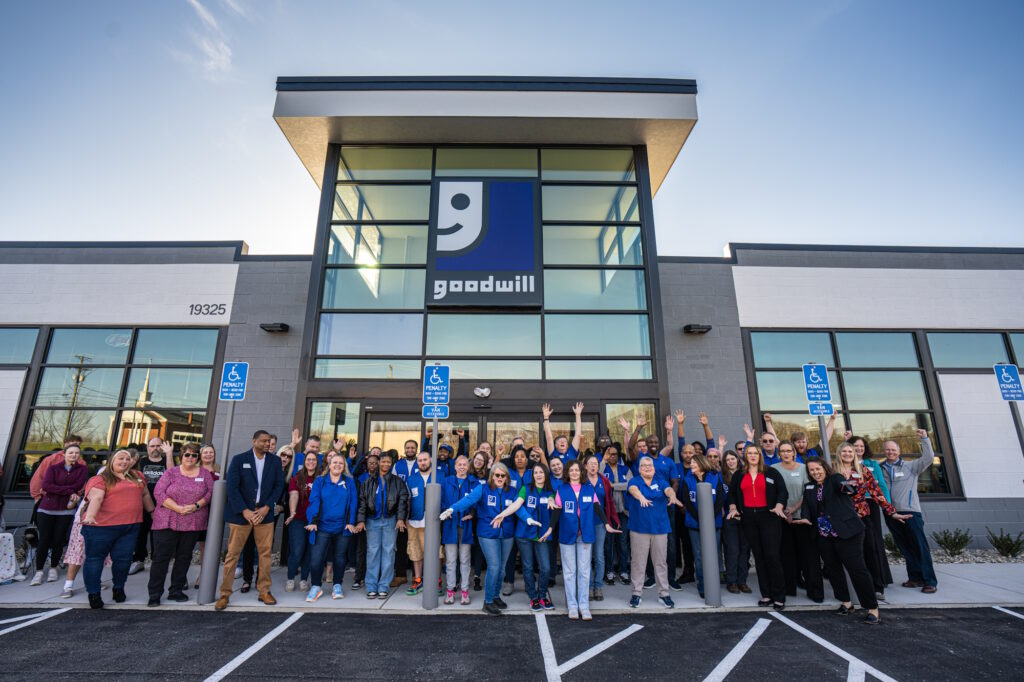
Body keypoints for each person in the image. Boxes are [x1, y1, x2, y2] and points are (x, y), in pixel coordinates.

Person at [798, 457, 888, 624]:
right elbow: (807, 508)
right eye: (811, 470)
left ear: (824, 467)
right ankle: (846, 602)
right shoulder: (809, 487)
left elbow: (846, 488)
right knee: (833, 569)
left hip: (848, 533)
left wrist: (849, 487)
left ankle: (872, 608)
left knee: (857, 570)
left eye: (818, 468)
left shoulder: (835, 479)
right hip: (825, 535)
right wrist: (804, 518)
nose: (815, 472)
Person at [215, 430, 285, 610]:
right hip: (241, 515)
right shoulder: (239, 460)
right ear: (254, 441)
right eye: (263, 441)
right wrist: (244, 510)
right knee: (233, 554)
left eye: (268, 441)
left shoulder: (275, 461)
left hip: (264, 514)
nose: (266, 444)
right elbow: (232, 487)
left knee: (265, 554)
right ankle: (225, 593)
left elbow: (278, 486)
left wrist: (267, 506)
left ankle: (264, 590)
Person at [440, 462, 519, 616]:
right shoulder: (483, 489)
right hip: (487, 533)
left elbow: (519, 509)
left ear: (507, 477)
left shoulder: (513, 491)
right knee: (494, 566)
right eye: (497, 475)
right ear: (492, 476)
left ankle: (495, 596)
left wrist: (528, 519)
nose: (500, 478)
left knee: (501, 568)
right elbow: (468, 500)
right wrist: (452, 508)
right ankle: (488, 601)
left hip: (507, 534)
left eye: (503, 475)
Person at [80, 450, 155, 609]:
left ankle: (118, 588)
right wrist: (91, 516)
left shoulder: (138, 476)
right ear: (112, 460)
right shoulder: (100, 479)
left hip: (129, 527)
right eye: (120, 458)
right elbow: (97, 498)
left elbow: (145, 495)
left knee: (123, 561)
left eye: (127, 459)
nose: (124, 461)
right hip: (101, 528)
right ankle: (93, 593)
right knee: (95, 560)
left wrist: (153, 513)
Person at [835, 442, 907, 599]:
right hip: (842, 519)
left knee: (870, 550)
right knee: (848, 555)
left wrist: (891, 512)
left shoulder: (863, 471)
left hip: (862, 516)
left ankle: (877, 587)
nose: (847, 454)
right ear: (839, 453)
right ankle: (850, 590)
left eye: (850, 451)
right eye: (844, 451)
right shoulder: (834, 472)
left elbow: (876, 492)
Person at [551, 459, 620, 621]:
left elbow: (598, 507)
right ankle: (572, 605)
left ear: (581, 472)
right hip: (567, 535)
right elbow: (556, 512)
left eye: (577, 470)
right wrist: (549, 529)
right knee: (569, 572)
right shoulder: (562, 489)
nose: (574, 473)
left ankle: (584, 605)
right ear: (567, 473)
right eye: (571, 470)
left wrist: (607, 524)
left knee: (584, 571)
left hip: (585, 535)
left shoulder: (589, 489)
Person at [147, 442, 214, 606]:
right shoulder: (171, 472)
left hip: (192, 521)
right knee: (161, 557)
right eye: (187, 454)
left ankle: (176, 590)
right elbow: (159, 492)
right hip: (168, 520)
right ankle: (155, 593)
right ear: (181, 456)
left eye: (194, 455)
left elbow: (211, 493)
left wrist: (196, 505)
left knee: (184, 557)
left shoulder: (205, 474)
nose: (190, 458)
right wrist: (176, 507)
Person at [726, 445, 788, 609]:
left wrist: (780, 506)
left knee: (772, 556)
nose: (753, 456)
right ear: (745, 456)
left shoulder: (771, 472)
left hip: (769, 516)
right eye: (749, 453)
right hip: (748, 518)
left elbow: (782, 491)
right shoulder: (739, 474)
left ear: (760, 455)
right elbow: (732, 494)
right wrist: (733, 508)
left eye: (755, 453)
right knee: (759, 557)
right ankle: (766, 595)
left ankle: (779, 596)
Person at [879, 430, 938, 593]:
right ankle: (915, 578)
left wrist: (925, 439)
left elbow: (928, 458)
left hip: (911, 512)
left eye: (893, 449)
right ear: (884, 451)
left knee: (920, 547)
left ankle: (930, 581)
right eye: (887, 450)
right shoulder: (880, 468)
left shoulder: (911, 466)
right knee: (905, 547)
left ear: (899, 451)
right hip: (891, 514)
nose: (890, 452)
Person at [626, 455, 684, 608]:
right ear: (639, 469)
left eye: (650, 466)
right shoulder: (635, 481)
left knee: (660, 563)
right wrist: (641, 498)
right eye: (644, 466)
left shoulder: (660, 481)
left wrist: (672, 496)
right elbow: (632, 490)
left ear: (654, 468)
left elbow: (669, 489)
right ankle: (636, 594)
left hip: (660, 529)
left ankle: (664, 594)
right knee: (638, 563)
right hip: (639, 529)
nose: (647, 468)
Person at [770, 440, 821, 602]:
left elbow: (807, 492)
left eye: (788, 451)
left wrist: (792, 509)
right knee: (787, 556)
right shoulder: (773, 470)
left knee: (808, 556)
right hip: (781, 518)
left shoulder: (803, 469)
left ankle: (814, 591)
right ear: (779, 454)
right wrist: (784, 511)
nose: (785, 453)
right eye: (782, 451)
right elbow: (773, 492)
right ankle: (789, 589)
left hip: (802, 517)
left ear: (794, 453)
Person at [305, 453, 360, 601]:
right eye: (334, 462)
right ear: (329, 464)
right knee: (316, 559)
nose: (337, 465)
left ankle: (337, 585)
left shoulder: (349, 482)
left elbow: (354, 503)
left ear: (344, 466)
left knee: (340, 559)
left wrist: (351, 522)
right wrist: (314, 521)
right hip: (322, 527)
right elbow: (314, 500)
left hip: (342, 527)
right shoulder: (320, 481)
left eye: (340, 463)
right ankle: (316, 586)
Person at [32, 444, 88, 586]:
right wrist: (69, 491)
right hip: (47, 509)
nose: (73, 455)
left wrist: (63, 489)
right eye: (70, 453)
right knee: (44, 540)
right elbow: (46, 486)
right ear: (64, 454)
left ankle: (53, 568)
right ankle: (39, 571)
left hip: (66, 510)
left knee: (58, 539)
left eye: (76, 453)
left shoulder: (82, 469)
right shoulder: (53, 468)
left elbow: (78, 486)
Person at [358, 451, 409, 600]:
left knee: (388, 552)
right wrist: (361, 520)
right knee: (373, 552)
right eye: (383, 461)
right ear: (379, 462)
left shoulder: (397, 481)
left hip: (390, 520)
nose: (386, 464)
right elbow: (362, 502)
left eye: (388, 462)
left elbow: (402, 500)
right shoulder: (368, 482)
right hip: (372, 520)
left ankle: (384, 586)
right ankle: (371, 586)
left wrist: (400, 518)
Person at [510, 462, 557, 611]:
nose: (538, 475)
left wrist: (551, 500)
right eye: (536, 472)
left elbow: (552, 501)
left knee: (546, 568)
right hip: (524, 535)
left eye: (541, 472)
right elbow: (518, 507)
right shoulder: (525, 489)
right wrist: (527, 518)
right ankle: (533, 597)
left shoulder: (550, 491)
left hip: (542, 536)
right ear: (532, 475)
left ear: (545, 474)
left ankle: (542, 595)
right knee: (528, 567)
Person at [678, 452, 725, 599]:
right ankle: (703, 586)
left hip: (714, 524)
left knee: (714, 554)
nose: (691, 465)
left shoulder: (715, 477)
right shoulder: (687, 479)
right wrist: (700, 518)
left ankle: (714, 585)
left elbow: (720, 500)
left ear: (701, 464)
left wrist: (709, 518)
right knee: (698, 556)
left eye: (693, 463)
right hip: (695, 524)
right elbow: (686, 501)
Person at [130, 437, 174, 575]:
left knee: (158, 536)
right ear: (148, 448)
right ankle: (138, 561)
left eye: (158, 446)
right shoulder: (141, 462)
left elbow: (173, 475)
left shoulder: (167, 461)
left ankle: (158, 562)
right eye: (152, 446)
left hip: (163, 505)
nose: (155, 448)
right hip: (141, 505)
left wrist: (169, 454)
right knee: (140, 534)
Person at [405, 450, 443, 596]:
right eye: (419, 460)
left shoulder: (440, 476)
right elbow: (406, 499)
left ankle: (436, 581)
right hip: (415, 520)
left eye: (425, 460)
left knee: (437, 552)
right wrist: (405, 516)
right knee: (415, 551)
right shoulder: (411, 479)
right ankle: (418, 580)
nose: (422, 462)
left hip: (434, 521)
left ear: (431, 460)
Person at [583, 453, 619, 601]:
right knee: (586, 556)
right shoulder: (581, 480)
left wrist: (614, 518)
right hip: (584, 523)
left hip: (600, 523)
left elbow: (609, 501)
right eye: (590, 463)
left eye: (595, 464)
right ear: (585, 466)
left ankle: (598, 586)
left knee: (598, 555)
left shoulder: (604, 481)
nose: (593, 466)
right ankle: (589, 586)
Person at [441, 455, 476, 605]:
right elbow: (441, 500)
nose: (462, 467)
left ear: (468, 467)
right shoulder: (446, 481)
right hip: (450, 525)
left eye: (464, 465)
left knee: (465, 560)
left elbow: (476, 502)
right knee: (450, 560)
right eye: (459, 465)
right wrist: (444, 512)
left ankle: (465, 591)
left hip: (465, 526)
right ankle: (450, 590)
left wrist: (472, 514)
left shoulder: (473, 482)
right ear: (455, 466)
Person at [285, 451, 321, 592]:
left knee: (309, 551)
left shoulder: (321, 479)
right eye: (308, 459)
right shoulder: (297, 478)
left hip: (315, 521)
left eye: (313, 460)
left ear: (317, 462)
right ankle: (290, 578)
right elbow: (293, 495)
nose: (311, 462)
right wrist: (292, 512)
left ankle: (304, 580)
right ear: (304, 462)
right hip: (298, 519)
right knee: (297, 550)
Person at [502, 444, 532, 596]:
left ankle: (529, 582)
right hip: (509, 518)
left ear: (527, 459)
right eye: (517, 457)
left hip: (527, 518)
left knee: (527, 554)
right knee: (510, 552)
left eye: (523, 456)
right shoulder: (508, 474)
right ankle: (509, 581)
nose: (520, 459)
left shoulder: (532, 473)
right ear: (513, 459)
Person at [720, 450, 751, 594]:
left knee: (744, 550)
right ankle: (731, 581)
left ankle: (742, 581)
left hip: (745, 517)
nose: (731, 462)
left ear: (738, 460)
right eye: (727, 460)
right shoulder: (721, 477)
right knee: (732, 550)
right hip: (729, 518)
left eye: (733, 459)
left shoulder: (746, 475)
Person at [602, 443, 631, 585]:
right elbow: (599, 481)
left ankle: (624, 571)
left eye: (614, 454)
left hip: (623, 512)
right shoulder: (603, 468)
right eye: (609, 454)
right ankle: (609, 571)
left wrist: (613, 486)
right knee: (608, 543)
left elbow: (630, 485)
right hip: (608, 513)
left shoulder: (624, 469)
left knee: (623, 543)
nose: (612, 456)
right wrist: (603, 460)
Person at [351, 452, 379, 589]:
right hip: (363, 517)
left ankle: (372, 577)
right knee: (361, 549)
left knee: (374, 550)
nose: (372, 465)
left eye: (375, 463)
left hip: (376, 518)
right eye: (370, 463)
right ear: (366, 465)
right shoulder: (361, 478)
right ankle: (358, 577)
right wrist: (363, 458)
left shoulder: (382, 478)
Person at [194, 443, 220, 589]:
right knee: (187, 544)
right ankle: (182, 577)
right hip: (194, 511)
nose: (208, 455)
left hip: (211, 512)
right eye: (205, 452)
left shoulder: (219, 471)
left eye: (211, 452)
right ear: (200, 455)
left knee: (205, 545)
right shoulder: (195, 470)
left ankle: (202, 575)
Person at [468, 450, 490, 592]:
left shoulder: (488, 476)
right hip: (467, 516)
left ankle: (476, 577)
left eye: (482, 460)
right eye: (477, 458)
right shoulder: (467, 475)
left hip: (480, 517)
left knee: (478, 547)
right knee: (465, 548)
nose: (478, 461)